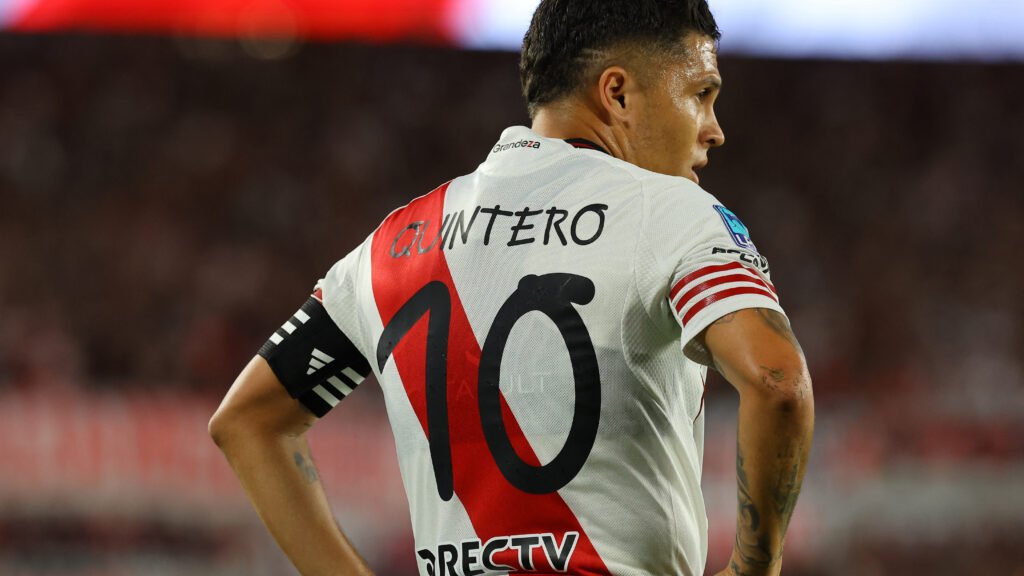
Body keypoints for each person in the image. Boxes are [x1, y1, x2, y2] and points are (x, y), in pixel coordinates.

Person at [208, 0, 814, 574]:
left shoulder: (393, 244)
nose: (714, 130)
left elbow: (247, 421)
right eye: (701, 95)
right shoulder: (671, 212)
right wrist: (754, 567)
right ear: (618, 93)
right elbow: (777, 381)